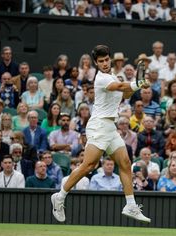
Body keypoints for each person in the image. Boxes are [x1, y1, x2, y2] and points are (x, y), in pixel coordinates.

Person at [51, 45, 151, 223]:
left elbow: (125, 93)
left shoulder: (112, 76)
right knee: (89, 165)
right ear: (97, 63)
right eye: (101, 61)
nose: (104, 63)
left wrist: (137, 85)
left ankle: (130, 205)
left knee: (126, 163)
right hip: (98, 126)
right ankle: (59, 196)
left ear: (110, 60)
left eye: (106, 60)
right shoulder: (102, 79)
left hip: (110, 128)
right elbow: (121, 86)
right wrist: (138, 83)